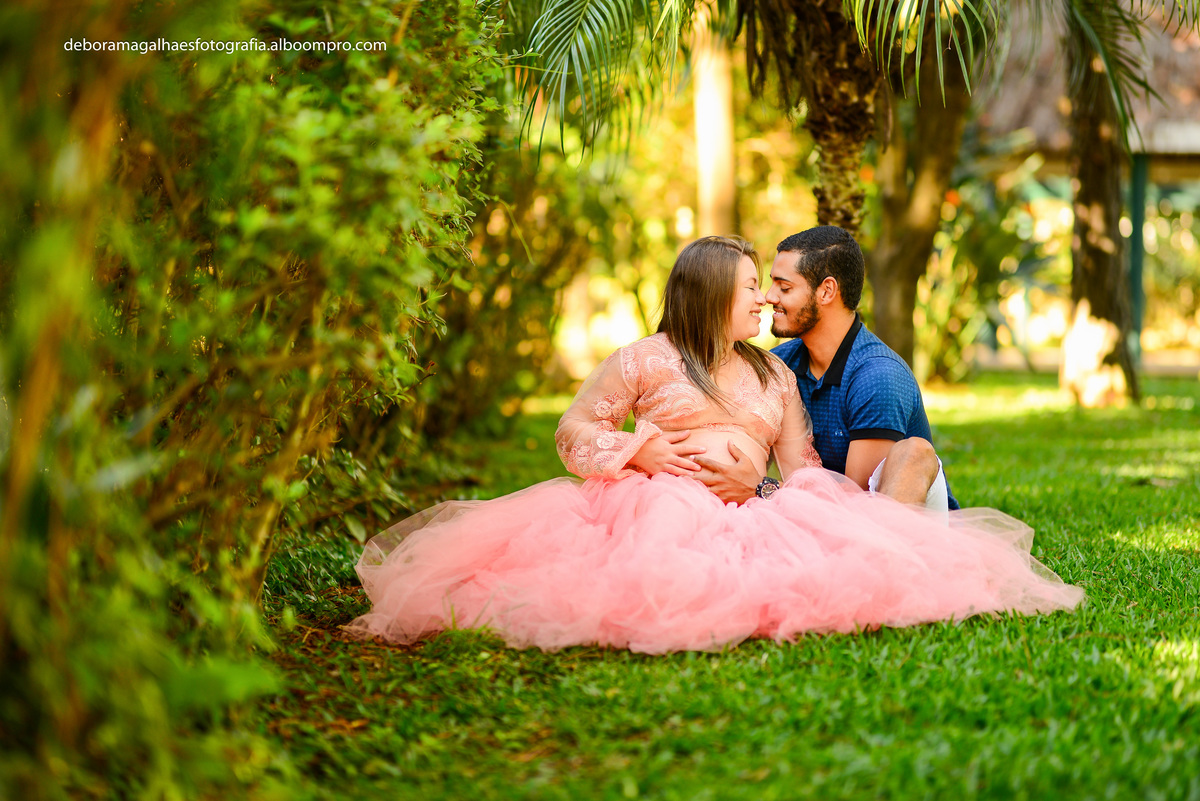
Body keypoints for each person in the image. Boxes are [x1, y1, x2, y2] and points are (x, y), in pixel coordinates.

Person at [347, 236, 1082, 654]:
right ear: (709, 296)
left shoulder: (775, 374)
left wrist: (761, 489)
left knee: (782, 571)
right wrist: (638, 452)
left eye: (771, 286)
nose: (764, 299)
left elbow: (804, 470)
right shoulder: (645, 358)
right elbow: (573, 431)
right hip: (645, 502)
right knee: (619, 574)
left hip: (746, 509)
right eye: (753, 287)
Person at [694, 226, 957, 511]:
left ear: (827, 291)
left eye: (784, 287)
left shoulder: (878, 377)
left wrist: (761, 489)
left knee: (913, 451)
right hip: (815, 515)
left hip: (896, 521)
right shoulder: (779, 366)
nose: (769, 297)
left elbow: (857, 505)